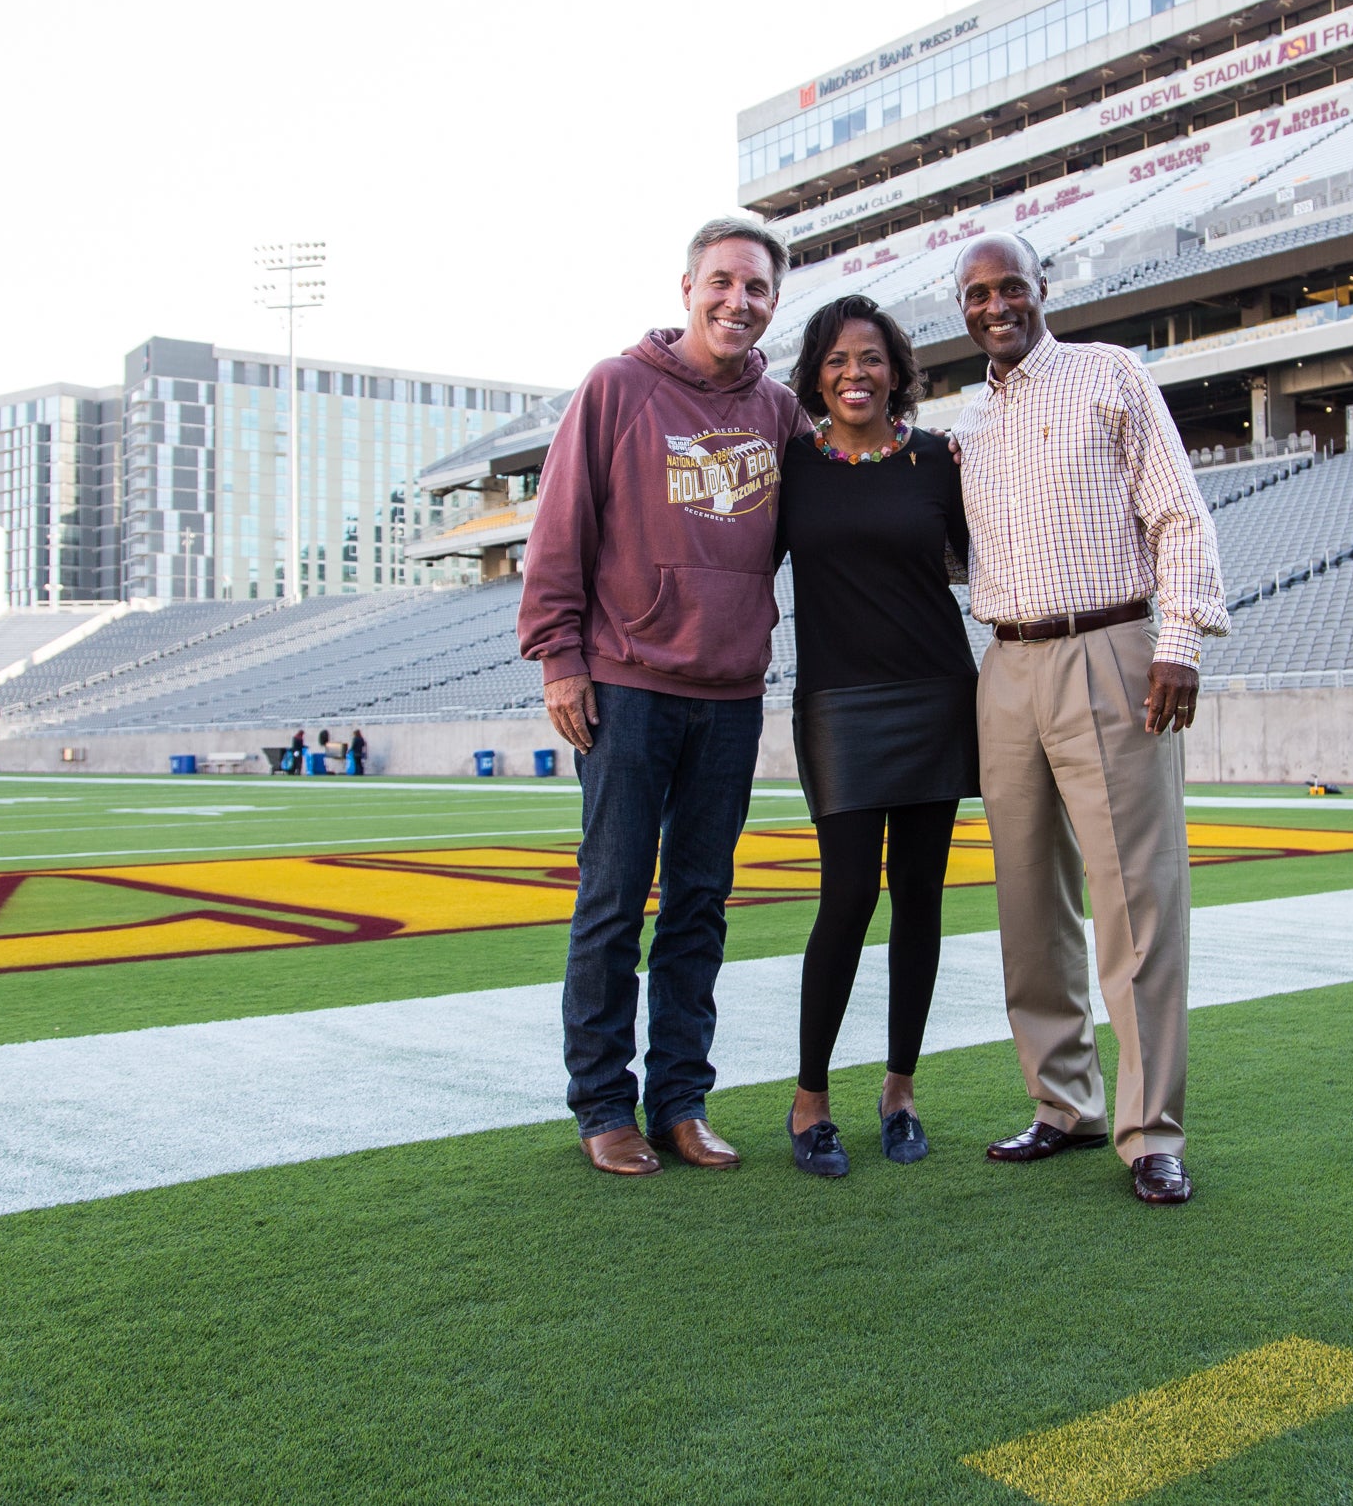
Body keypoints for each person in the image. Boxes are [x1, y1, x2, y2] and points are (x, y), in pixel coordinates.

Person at [519, 217, 810, 1177]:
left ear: (774, 301)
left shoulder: (777, 409)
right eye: (722, 282)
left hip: (730, 695)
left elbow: (838, 501)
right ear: (687, 285)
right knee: (610, 900)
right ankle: (604, 1105)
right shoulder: (616, 387)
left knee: (700, 904)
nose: (738, 301)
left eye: (757, 288)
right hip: (627, 687)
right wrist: (560, 657)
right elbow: (560, 531)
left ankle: (680, 1100)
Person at [948, 233, 1225, 1207]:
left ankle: (1150, 1130)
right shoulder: (966, 424)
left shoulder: (1109, 374)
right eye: (976, 293)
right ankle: (1060, 1099)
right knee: (1027, 900)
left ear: (1041, 289)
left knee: (1134, 895)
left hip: (1109, 645)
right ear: (961, 306)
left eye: (1009, 286)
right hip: (1006, 664)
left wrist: (1179, 636)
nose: (994, 305)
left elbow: (1180, 515)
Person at [775, 295, 977, 1179]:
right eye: (835, 361)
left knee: (921, 900)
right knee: (849, 896)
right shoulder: (790, 466)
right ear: (816, 377)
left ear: (897, 368)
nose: (854, 374)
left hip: (935, 693)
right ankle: (808, 1099)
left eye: (870, 358)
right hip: (838, 704)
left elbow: (984, 559)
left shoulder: (940, 459)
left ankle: (900, 1090)